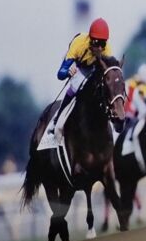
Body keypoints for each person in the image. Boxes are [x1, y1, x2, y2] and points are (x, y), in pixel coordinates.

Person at [45, 17, 112, 154]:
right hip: (78, 65)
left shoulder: (107, 50)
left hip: (94, 67)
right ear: (90, 39)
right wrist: (68, 72)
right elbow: (60, 74)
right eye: (96, 43)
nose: (100, 48)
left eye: (103, 44)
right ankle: (56, 120)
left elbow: (109, 72)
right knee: (75, 85)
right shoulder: (78, 44)